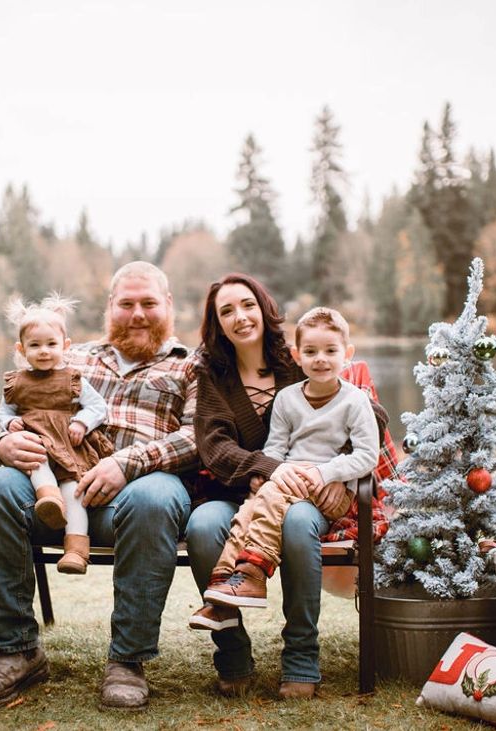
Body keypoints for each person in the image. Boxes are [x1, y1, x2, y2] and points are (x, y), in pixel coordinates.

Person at [0, 261, 199, 713]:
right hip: (52, 489)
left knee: (155, 497)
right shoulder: (69, 357)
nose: (137, 313)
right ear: (111, 307)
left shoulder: (189, 367)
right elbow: (14, 405)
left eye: (148, 303)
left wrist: (125, 464)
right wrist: (4, 442)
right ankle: (17, 651)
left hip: (138, 494)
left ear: (167, 305)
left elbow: (195, 438)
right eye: (126, 304)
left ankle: (127, 661)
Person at [185, 274, 383, 700]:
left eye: (247, 305)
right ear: (216, 324)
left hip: (310, 487)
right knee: (203, 527)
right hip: (238, 489)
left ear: (263, 308)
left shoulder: (298, 360)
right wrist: (266, 470)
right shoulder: (214, 376)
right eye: (227, 311)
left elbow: (371, 418)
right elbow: (214, 448)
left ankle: (300, 658)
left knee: (296, 523)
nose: (240, 317)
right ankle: (230, 641)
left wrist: (337, 474)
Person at [196, 305, 378, 614]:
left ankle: (253, 573)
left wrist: (325, 473)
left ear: (347, 353)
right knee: (249, 509)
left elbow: (367, 455)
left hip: (331, 491)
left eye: (330, 350)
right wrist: (270, 472)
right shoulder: (287, 398)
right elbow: (276, 448)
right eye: (311, 351)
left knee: (265, 499)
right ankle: (224, 585)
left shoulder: (355, 400)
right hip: (288, 481)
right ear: (297, 355)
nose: (320, 358)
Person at [0, 293, 114, 574]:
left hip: (69, 448)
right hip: (37, 447)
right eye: (35, 345)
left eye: (51, 344)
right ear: (22, 349)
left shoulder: (73, 378)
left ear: (65, 345)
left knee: (75, 493)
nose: (44, 351)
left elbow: (98, 407)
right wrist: (9, 425)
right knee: (37, 461)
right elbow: (3, 413)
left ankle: (75, 550)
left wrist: (82, 423)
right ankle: (49, 499)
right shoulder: (17, 382)